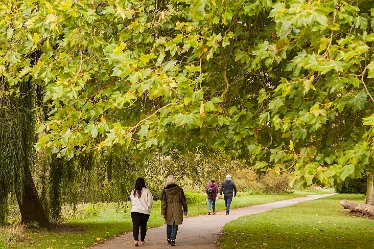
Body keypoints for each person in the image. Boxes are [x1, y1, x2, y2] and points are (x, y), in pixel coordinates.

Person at [161, 175, 188, 246]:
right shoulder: (179, 190)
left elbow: (163, 202)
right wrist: (185, 209)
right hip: (177, 208)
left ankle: (169, 238)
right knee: (175, 224)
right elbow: (183, 201)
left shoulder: (165, 191)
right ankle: (173, 239)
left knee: (169, 223)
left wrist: (163, 212)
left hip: (168, 209)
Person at [130, 177, 153, 247]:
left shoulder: (133, 191)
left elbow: (132, 200)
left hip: (135, 211)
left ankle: (136, 240)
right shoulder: (147, 191)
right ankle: (142, 240)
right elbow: (150, 201)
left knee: (135, 226)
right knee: (143, 226)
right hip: (144, 211)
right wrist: (148, 207)